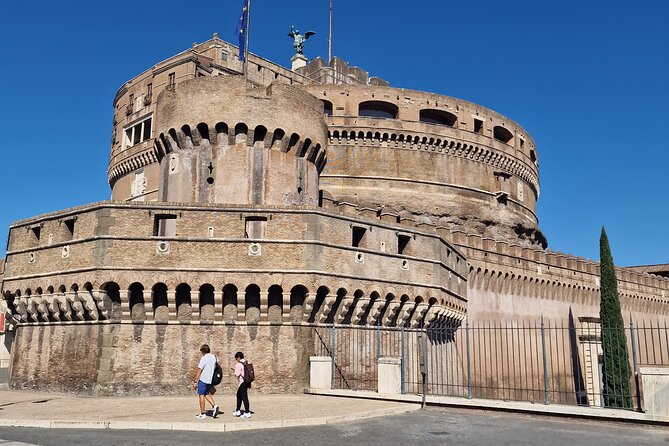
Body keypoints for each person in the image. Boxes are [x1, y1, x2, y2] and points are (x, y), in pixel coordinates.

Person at [193, 344, 220, 419]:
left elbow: (199, 369)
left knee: (201, 395)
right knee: (206, 394)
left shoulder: (204, 358)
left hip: (203, 379)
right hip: (210, 379)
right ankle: (214, 406)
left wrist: (195, 381)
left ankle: (202, 413)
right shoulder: (214, 357)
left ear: (203, 351)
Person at [232, 351, 251, 418]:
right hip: (247, 381)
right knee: (239, 396)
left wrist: (234, 371)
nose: (236, 360)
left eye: (236, 358)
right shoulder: (247, 362)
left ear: (239, 357)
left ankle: (247, 412)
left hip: (242, 382)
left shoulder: (238, 364)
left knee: (244, 397)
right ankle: (237, 410)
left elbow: (237, 374)